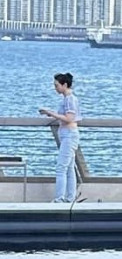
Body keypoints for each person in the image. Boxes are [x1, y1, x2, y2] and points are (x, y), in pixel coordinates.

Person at [38, 72, 81, 203]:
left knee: (61, 167)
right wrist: (52, 113)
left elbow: (69, 118)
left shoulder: (70, 99)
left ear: (65, 85)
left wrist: (51, 113)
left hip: (69, 135)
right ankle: (70, 197)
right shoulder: (67, 99)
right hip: (66, 134)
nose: (55, 88)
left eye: (57, 85)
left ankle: (60, 198)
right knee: (69, 168)